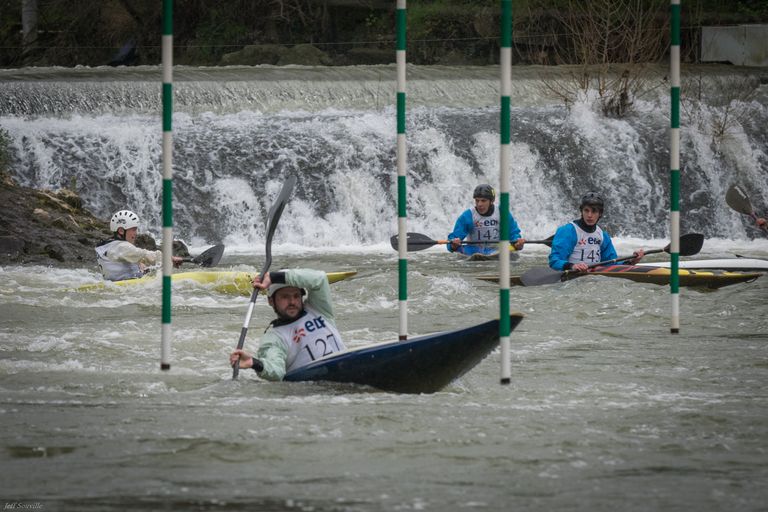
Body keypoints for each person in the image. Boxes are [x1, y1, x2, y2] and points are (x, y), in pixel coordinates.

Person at [230, 269, 347, 381]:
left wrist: (274, 277)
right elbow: (277, 371)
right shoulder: (274, 338)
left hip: (344, 367)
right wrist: (254, 363)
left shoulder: (319, 308)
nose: (292, 302)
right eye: (285, 297)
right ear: (271, 301)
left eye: (296, 296)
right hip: (315, 384)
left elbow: (320, 278)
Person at [549, 192, 644, 272]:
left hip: (594, 277)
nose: (589, 215)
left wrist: (632, 261)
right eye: (586, 211)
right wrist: (572, 266)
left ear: (600, 214)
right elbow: (555, 261)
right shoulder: (568, 231)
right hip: (572, 275)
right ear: (581, 211)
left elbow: (611, 263)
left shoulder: (602, 235)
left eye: (594, 211)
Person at [95, 209, 182, 281]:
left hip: (116, 284)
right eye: (133, 229)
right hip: (127, 287)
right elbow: (145, 254)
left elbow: (136, 257)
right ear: (121, 231)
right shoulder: (122, 247)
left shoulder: (108, 245)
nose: (136, 233)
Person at [447, 184, 525, 256]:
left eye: (483, 201)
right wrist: (453, 244)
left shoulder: (502, 213)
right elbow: (454, 237)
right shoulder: (468, 215)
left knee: (511, 248)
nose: (479, 204)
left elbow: (513, 233)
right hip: (474, 250)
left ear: (491, 201)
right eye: (477, 200)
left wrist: (517, 242)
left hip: (497, 248)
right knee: (460, 249)